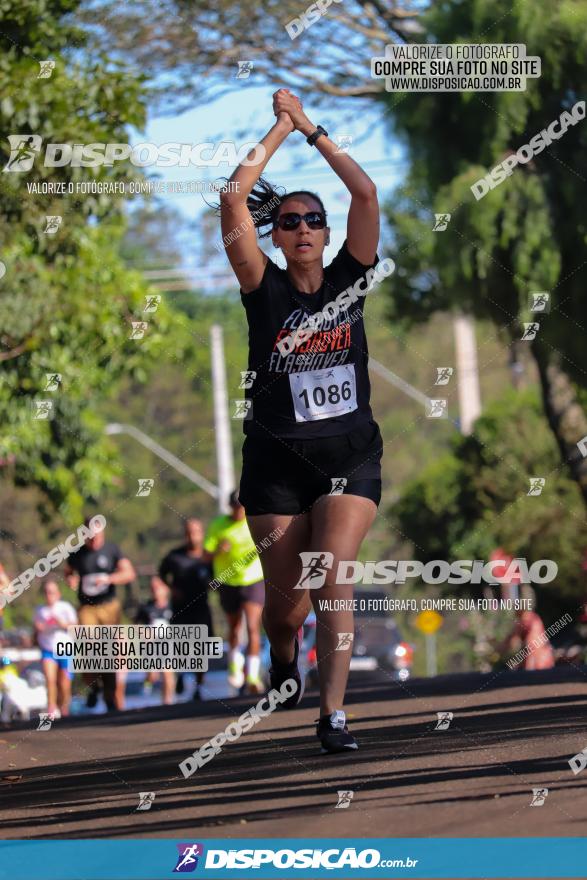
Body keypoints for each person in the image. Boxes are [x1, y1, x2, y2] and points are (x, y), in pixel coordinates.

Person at [219, 89, 383, 753]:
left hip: (348, 456)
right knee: (285, 605)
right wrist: (279, 127)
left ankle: (333, 713)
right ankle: (283, 658)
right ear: (277, 236)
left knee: (332, 573)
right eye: (290, 221)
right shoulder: (265, 289)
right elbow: (235, 200)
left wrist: (312, 127)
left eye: (314, 218)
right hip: (275, 464)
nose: (305, 228)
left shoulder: (350, 279)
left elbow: (366, 196)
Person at [64, 517, 136, 711]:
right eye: (90, 537)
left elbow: (129, 573)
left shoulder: (112, 550)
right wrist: (71, 579)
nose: (94, 540)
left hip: (109, 606)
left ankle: (109, 695)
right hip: (87, 607)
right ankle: (92, 685)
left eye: (97, 535)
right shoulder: (78, 553)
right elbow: (68, 571)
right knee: (89, 646)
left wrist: (109, 578)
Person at [204, 491, 265, 694]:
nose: (238, 512)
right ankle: (234, 664)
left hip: (252, 579)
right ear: (230, 507)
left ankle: (253, 676)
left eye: (241, 507)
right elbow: (205, 554)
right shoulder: (218, 525)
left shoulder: (254, 521)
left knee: (253, 626)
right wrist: (218, 551)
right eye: (235, 507)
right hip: (227, 580)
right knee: (235, 626)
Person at [159, 519, 213, 700]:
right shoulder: (174, 556)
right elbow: (161, 573)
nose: (192, 536)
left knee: (201, 648)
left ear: (202, 533)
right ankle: (182, 674)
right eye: (189, 532)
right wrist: (171, 589)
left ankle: (199, 687)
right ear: (185, 534)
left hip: (201, 607)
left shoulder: (207, 556)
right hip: (180, 608)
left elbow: (217, 577)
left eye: (196, 532)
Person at [33, 578, 77, 717]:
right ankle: (51, 708)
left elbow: (75, 628)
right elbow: (37, 628)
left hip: (65, 649)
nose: (49, 595)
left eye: (51, 592)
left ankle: (64, 709)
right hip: (48, 649)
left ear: (58, 594)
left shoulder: (65, 607)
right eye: (46, 592)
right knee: (50, 679)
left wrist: (62, 623)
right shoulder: (40, 610)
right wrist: (40, 627)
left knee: (64, 683)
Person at [135, 576, 175, 705]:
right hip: (151, 646)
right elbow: (137, 625)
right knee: (153, 675)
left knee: (168, 673)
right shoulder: (146, 608)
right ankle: (148, 681)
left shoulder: (173, 606)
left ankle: (167, 703)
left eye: (157, 587)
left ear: (165, 589)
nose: (155, 591)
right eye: (152, 588)